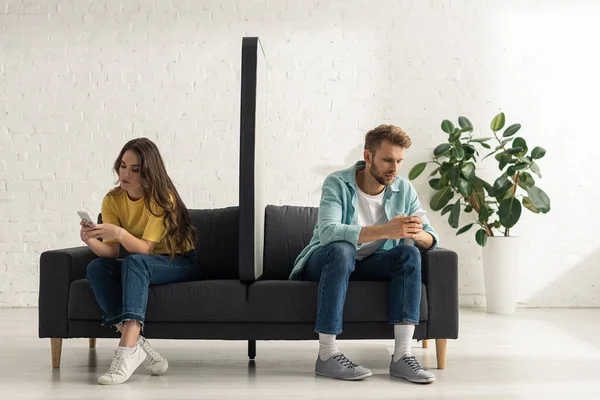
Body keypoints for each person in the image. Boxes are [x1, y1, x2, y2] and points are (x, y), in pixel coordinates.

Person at [290, 124, 439, 383]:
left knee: (409, 253)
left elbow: (431, 237)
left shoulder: (403, 189)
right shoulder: (337, 183)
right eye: (387, 160)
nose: (394, 168)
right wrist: (386, 230)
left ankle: (402, 356)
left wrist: (416, 234)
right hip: (326, 260)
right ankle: (327, 354)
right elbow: (328, 232)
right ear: (368, 156)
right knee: (342, 248)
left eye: (399, 161)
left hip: (371, 264)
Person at [81, 138, 199, 385]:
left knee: (136, 261)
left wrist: (121, 234)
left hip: (178, 261)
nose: (125, 173)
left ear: (148, 172)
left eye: (135, 169)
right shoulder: (113, 199)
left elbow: (145, 249)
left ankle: (126, 351)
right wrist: (90, 240)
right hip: (143, 263)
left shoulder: (162, 198)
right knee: (96, 267)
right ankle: (137, 345)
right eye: (123, 165)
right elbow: (111, 253)